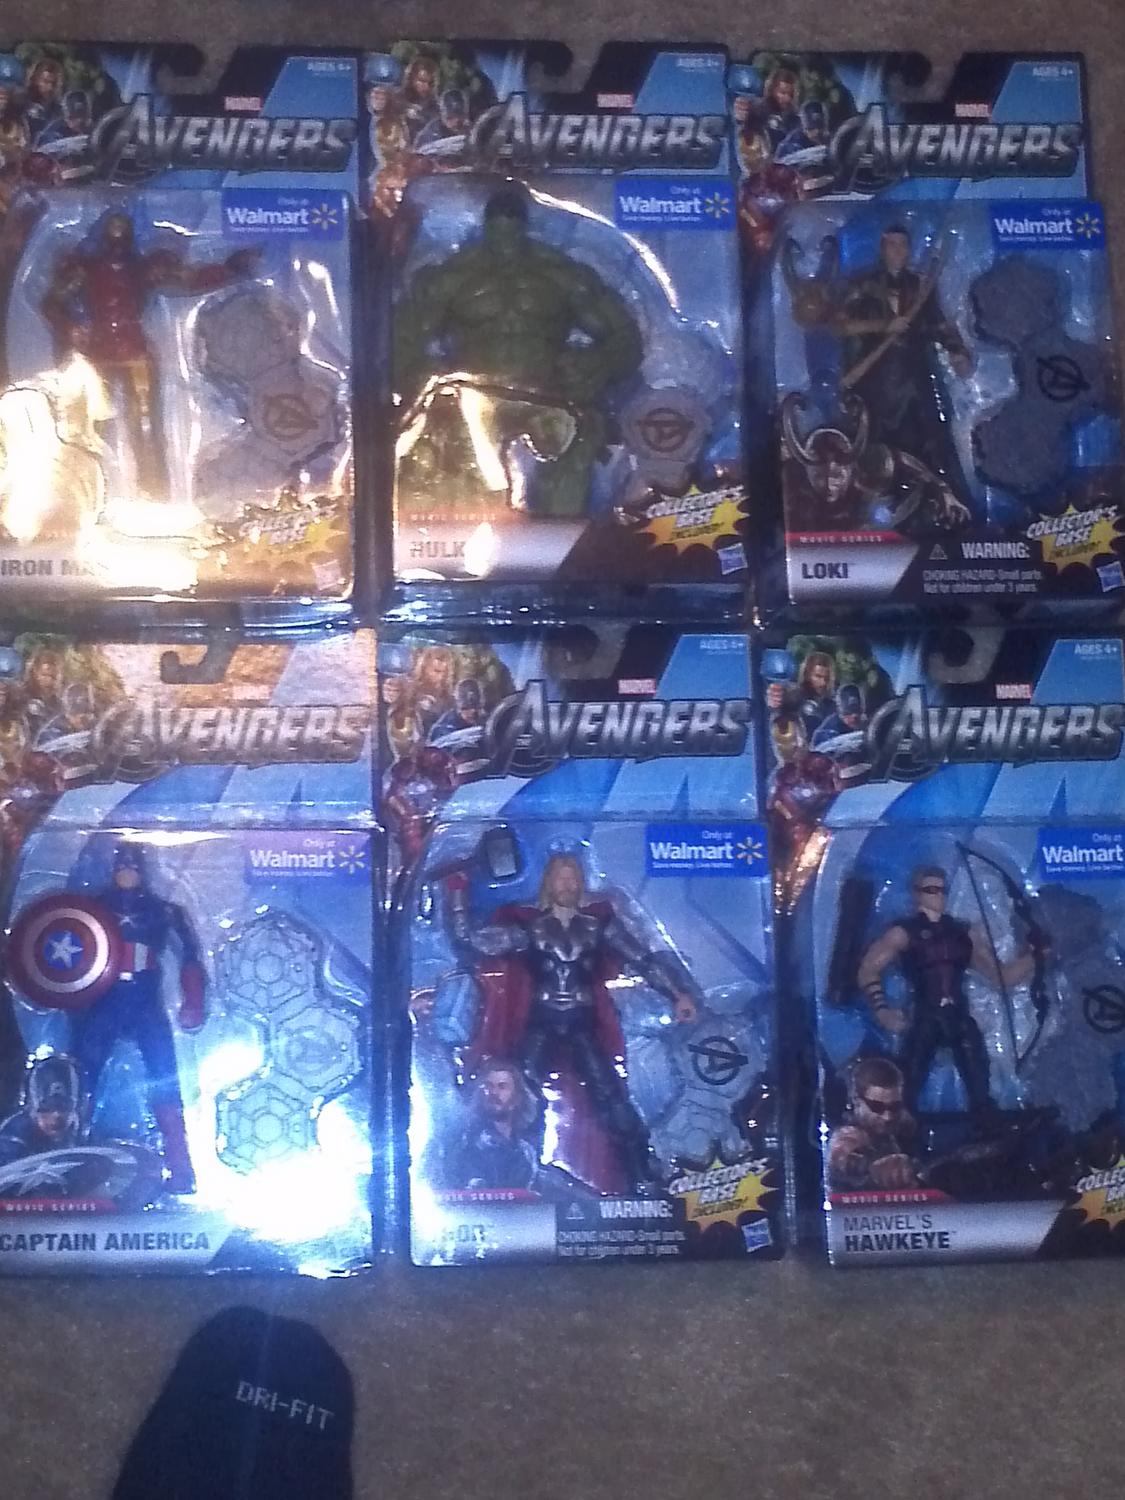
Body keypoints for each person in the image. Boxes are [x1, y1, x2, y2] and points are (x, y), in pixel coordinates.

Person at [446, 850, 697, 1190]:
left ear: (581, 883)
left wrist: (677, 994)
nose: (567, 884)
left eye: (572, 878)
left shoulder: (598, 927)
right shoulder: (529, 929)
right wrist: (457, 892)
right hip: (542, 1020)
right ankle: (504, 1171)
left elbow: (643, 960)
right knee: (519, 1094)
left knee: (609, 1096)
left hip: (582, 1021)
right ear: (548, 883)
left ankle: (642, 1170)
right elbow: (470, 943)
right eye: (560, 878)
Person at [70, 844, 206, 1192]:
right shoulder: (94, 907)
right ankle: (66, 1160)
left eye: (132, 868)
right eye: (122, 868)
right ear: (114, 870)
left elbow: (190, 955)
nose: (127, 874)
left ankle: (180, 1167)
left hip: (146, 1000)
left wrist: (193, 1000)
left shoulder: (164, 911)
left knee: (164, 1078)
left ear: (142, 871)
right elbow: (62, 945)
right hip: (105, 1000)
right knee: (81, 1080)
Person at [857, 865, 1038, 1119]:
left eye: (942, 890)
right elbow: (868, 969)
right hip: (925, 1016)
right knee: (907, 1085)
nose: (938, 895)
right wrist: (881, 1010)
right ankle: (900, 1125)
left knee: (979, 1084)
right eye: (931, 889)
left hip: (958, 1015)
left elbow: (1001, 976)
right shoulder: (904, 933)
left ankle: (986, 1121)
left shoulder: (962, 933)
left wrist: (1035, 957)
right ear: (917, 893)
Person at [826, 1056, 919, 1190]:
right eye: (877, 1107)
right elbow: (843, 1158)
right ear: (857, 1101)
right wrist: (877, 1167)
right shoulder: (848, 1137)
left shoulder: (903, 1126)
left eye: (894, 1106)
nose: (887, 1117)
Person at [0, 1053, 81, 1166]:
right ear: (32, 1107)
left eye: (64, 1105)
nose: (57, 1114)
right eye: (47, 1106)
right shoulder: (12, 1136)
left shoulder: (79, 1130)